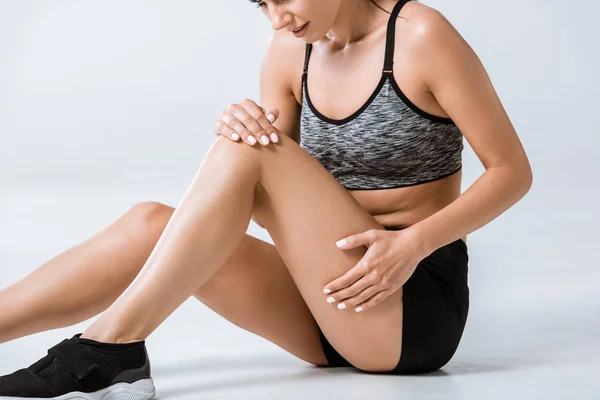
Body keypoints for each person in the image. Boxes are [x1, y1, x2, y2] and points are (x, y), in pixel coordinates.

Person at [0, 0, 533, 398]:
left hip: (407, 306)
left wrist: (412, 245)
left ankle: (108, 347)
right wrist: (242, 132)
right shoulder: (287, 51)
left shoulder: (421, 36)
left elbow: (512, 172)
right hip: (325, 303)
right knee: (150, 221)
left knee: (248, 153)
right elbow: (271, 194)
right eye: (262, 5)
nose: (277, 18)